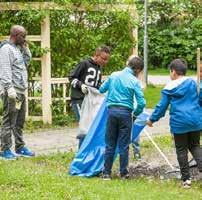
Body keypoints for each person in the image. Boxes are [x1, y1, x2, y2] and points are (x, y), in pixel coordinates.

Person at [147, 58, 202, 188]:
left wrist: (152, 119)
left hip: (179, 123)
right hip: (195, 120)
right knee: (195, 145)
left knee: (181, 149)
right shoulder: (193, 83)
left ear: (173, 72)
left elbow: (162, 107)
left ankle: (186, 180)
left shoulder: (169, 88)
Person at [99, 55, 146, 180]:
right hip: (126, 114)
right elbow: (141, 103)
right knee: (123, 145)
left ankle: (106, 173)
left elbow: (102, 89)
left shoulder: (114, 75)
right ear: (137, 70)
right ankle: (123, 173)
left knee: (110, 144)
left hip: (112, 112)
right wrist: (135, 115)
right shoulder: (134, 81)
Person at [0, 25, 35, 160]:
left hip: (20, 91)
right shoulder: (6, 49)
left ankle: (19, 147)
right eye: (23, 36)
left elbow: (26, 62)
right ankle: (4, 149)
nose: (25, 38)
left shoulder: (17, 49)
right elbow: (5, 69)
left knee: (19, 121)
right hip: (11, 91)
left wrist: (25, 48)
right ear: (15, 35)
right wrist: (9, 88)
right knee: (8, 121)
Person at [68, 46, 110, 148]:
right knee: (84, 126)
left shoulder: (99, 68)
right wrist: (81, 85)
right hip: (79, 99)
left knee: (91, 126)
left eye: (107, 59)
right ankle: (81, 152)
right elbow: (71, 77)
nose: (105, 61)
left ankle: (87, 150)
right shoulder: (84, 63)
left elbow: (97, 85)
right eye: (104, 58)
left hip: (91, 102)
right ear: (96, 55)